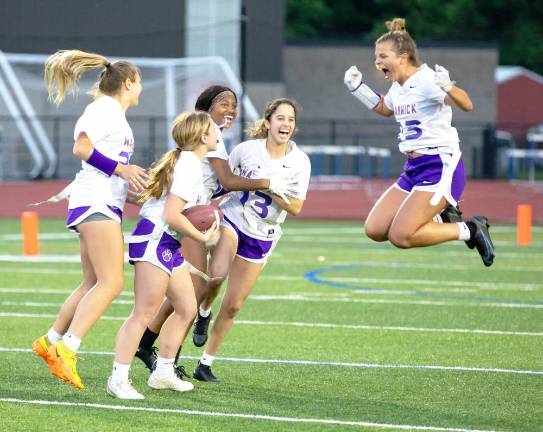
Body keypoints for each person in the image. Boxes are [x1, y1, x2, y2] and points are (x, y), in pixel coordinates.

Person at [134, 86, 296, 374]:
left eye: (234, 104)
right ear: (207, 107)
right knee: (190, 295)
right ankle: (163, 359)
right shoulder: (209, 135)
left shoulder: (215, 137)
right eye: (224, 103)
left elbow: (222, 182)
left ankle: (150, 346)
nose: (231, 109)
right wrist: (265, 183)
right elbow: (228, 180)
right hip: (184, 217)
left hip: (192, 214)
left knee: (188, 294)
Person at [31, 50, 148, 389]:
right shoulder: (104, 109)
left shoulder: (115, 115)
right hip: (94, 202)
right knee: (112, 283)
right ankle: (67, 349)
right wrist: (123, 169)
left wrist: (131, 189)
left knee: (92, 282)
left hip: (99, 200)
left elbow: (105, 166)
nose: (141, 88)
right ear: (128, 83)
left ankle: (50, 341)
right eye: (138, 82)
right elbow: (82, 150)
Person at [343, 18, 495, 267]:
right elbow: (385, 107)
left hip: (439, 165)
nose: (377, 62)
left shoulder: (426, 80)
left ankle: (470, 229)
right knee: (375, 229)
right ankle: (441, 217)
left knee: (401, 236)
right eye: (376, 56)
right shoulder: (399, 85)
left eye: (383, 56)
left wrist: (449, 86)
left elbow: (467, 104)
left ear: (403, 57)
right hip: (413, 168)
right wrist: (357, 88)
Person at [193, 98, 311, 382]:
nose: (285, 124)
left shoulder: (300, 162)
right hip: (234, 218)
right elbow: (225, 181)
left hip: (263, 234)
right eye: (280, 118)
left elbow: (295, 207)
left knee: (234, 305)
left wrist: (271, 187)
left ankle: (205, 363)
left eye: (290, 120)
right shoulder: (246, 150)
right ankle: (204, 310)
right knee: (216, 275)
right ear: (268, 122)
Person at [106, 111, 220, 399]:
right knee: (143, 313)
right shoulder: (190, 165)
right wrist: (202, 236)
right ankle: (118, 378)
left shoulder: (186, 161)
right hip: (155, 239)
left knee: (186, 308)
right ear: (203, 136)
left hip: (165, 242)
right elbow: (171, 214)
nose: (218, 131)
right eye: (213, 128)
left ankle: (163, 372)